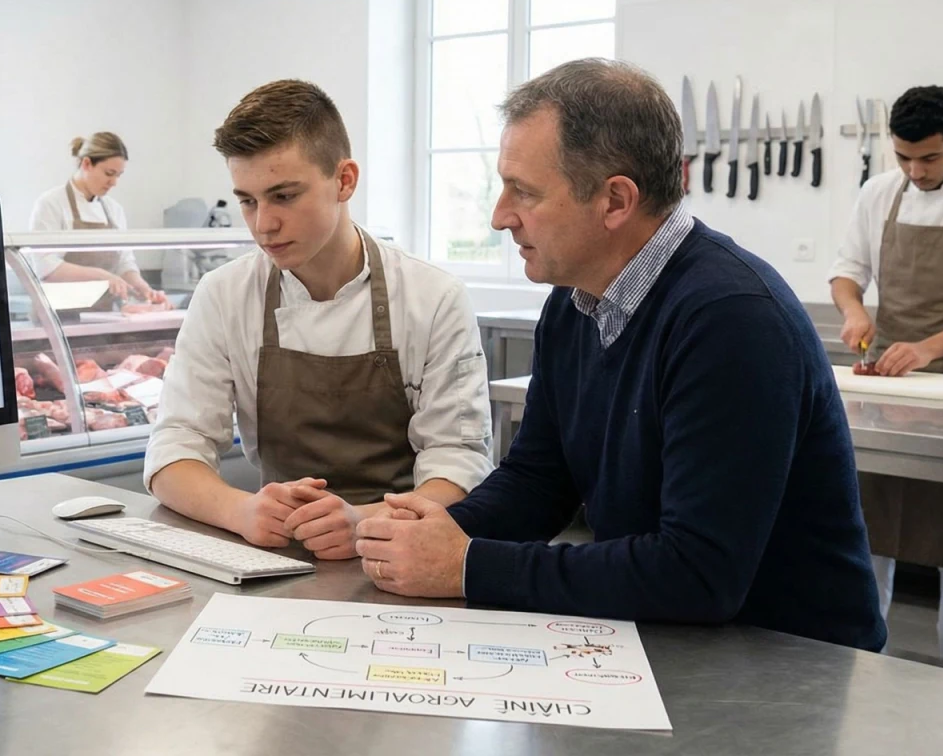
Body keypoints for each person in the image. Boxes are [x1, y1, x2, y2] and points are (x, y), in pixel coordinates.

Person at [355, 59, 886, 651]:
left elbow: (697, 573)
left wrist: (468, 565)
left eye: (524, 192)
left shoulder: (732, 320)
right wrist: (424, 533)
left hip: (791, 662)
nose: (500, 216)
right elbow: (539, 479)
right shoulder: (574, 301)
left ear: (615, 201)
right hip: (674, 637)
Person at [144, 79, 493, 560]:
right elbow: (175, 447)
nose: (263, 224)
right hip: (273, 554)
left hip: (402, 554)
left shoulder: (433, 297)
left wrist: (365, 522)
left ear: (344, 180)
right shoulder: (224, 294)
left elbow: (459, 466)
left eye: (284, 196)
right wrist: (241, 511)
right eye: (248, 200)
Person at [828, 85, 943, 654]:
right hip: (893, 390)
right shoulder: (879, 193)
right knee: (870, 528)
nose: (915, 171)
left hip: (934, 386)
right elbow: (847, 272)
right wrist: (854, 310)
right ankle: (862, 655)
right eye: (904, 157)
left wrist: (927, 349)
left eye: (931, 158)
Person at [28, 132, 170, 305]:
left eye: (118, 175)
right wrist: (102, 276)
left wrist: (143, 288)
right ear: (86, 163)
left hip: (101, 314)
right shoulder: (51, 204)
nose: (114, 182)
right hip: (58, 313)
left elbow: (124, 262)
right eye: (109, 173)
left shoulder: (114, 210)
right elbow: (46, 267)